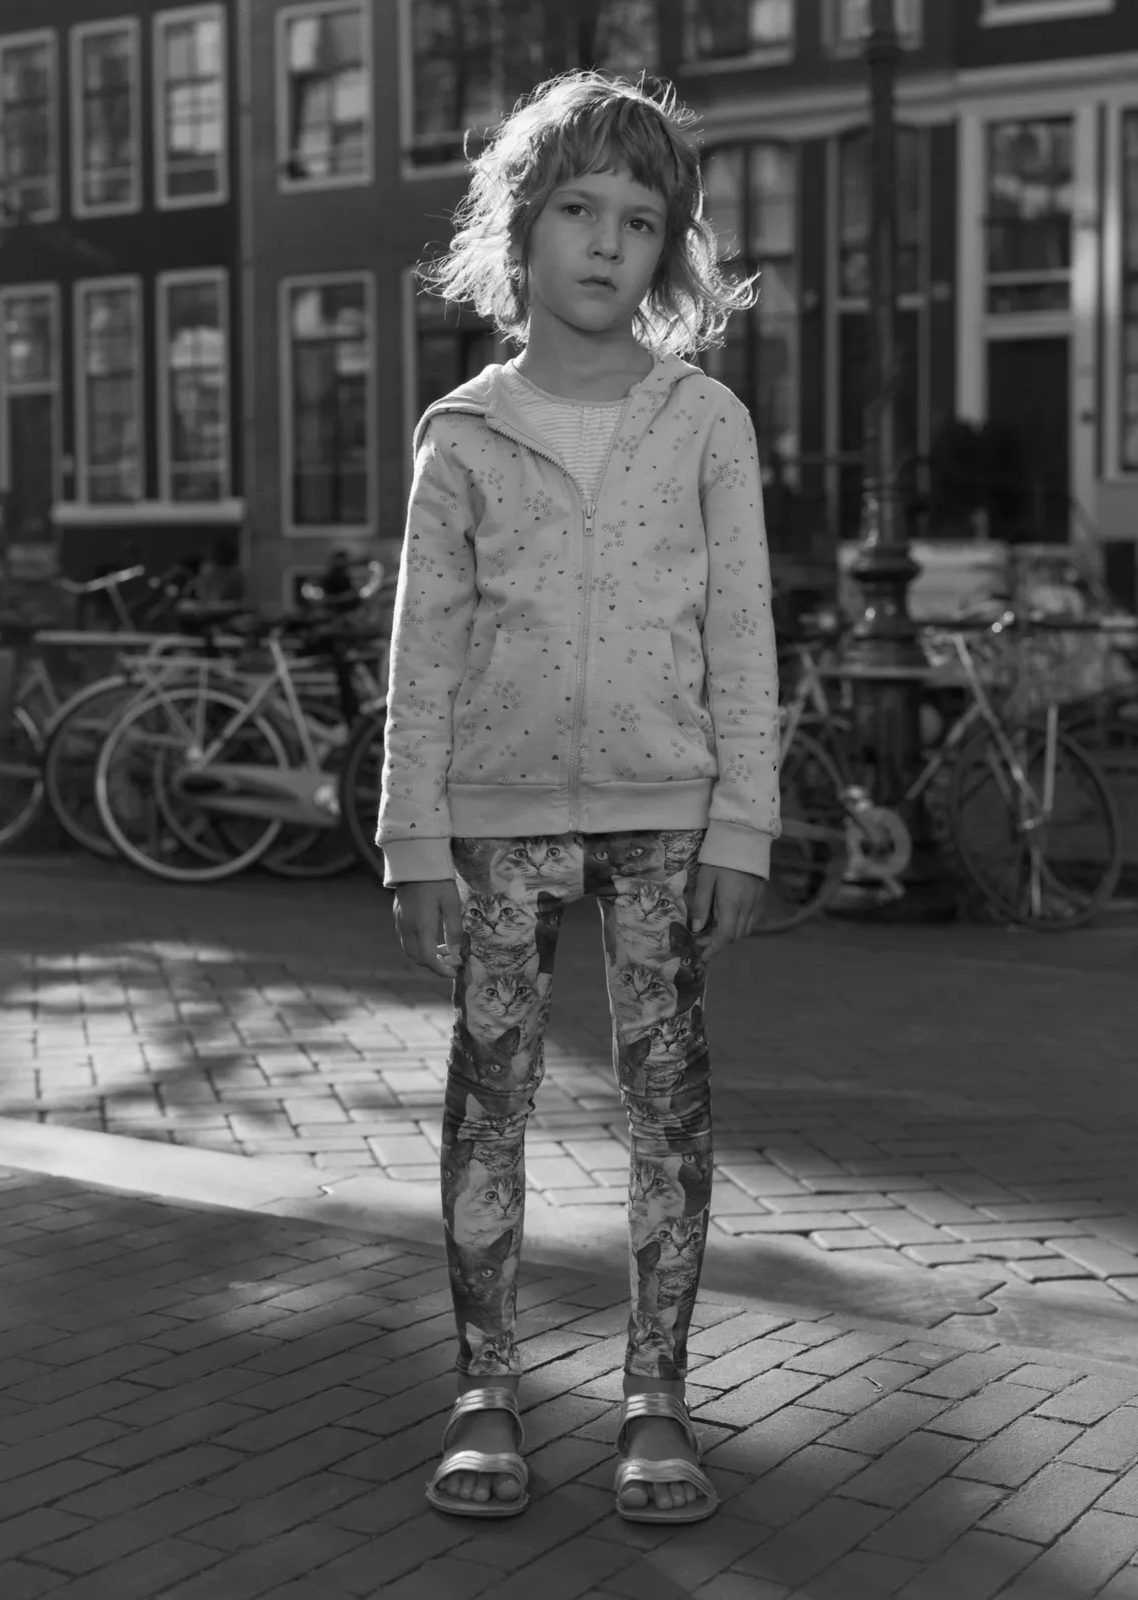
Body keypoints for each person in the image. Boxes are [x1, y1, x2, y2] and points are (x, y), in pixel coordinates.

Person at [379, 69, 780, 1527]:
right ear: (520, 229)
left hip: (670, 817)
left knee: (669, 1110)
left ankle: (656, 1398)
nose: (608, 241)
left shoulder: (707, 422)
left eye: (641, 219)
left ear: (669, 250)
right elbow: (425, 651)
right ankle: (485, 1388)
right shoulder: (464, 433)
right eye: (577, 210)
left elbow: (743, 633)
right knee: (490, 1101)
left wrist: (745, 820)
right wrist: (412, 833)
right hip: (495, 823)